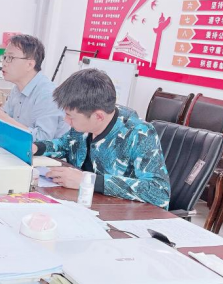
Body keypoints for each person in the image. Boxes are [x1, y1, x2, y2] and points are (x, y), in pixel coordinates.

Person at [33, 69, 171, 208]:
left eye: (70, 116)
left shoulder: (139, 133)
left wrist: (88, 181)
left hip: (120, 212)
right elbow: (66, 144)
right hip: (81, 204)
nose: (66, 120)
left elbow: (159, 192)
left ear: (98, 116)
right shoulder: (86, 120)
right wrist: (37, 147)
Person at [0, 34, 69, 140]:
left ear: (30, 65)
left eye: (10, 58)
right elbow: (9, 123)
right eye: (4, 57)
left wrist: (4, 119)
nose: (4, 63)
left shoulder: (48, 94)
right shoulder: (17, 89)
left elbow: (43, 139)